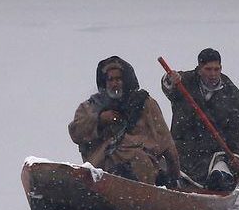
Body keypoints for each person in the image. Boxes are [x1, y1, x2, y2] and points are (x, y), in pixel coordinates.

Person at [69, 55, 180, 186]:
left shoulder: (144, 104)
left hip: (141, 169)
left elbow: (166, 142)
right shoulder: (91, 106)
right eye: (110, 80)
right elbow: (76, 132)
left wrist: (173, 177)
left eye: (118, 79)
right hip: (101, 168)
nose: (114, 83)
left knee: (139, 160)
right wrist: (99, 120)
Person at [160, 47, 239, 191]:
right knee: (167, 172)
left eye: (216, 69)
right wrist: (171, 79)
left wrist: (238, 155)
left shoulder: (231, 92)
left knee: (220, 177)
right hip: (184, 149)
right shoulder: (184, 82)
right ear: (199, 68)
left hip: (217, 151)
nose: (213, 74)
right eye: (208, 69)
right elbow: (169, 87)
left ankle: (216, 182)